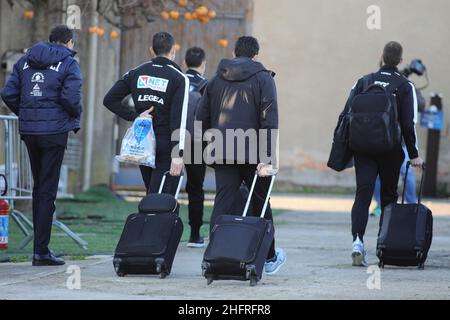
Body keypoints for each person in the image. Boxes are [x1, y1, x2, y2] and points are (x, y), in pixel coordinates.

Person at [196, 36, 286, 275]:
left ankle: (213, 256)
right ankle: (268, 257)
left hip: (222, 150)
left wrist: (205, 148)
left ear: (235, 53)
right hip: (254, 153)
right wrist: (266, 155)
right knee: (260, 202)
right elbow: (269, 117)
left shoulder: (215, 79)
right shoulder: (263, 78)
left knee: (223, 202)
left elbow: (201, 116)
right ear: (255, 55)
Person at [1, 25, 83, 266]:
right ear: (69, 42)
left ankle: (40, 249)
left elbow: (8, 93)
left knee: (39, 189)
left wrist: (27, 114)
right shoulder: (69, 63)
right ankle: (41, 252)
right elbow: (71, 98)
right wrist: (72, 116)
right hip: (55, 132)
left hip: (30, 132)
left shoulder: (25, 61)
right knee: (47, 191)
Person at [340, 41, 424, 267]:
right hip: (390, 149)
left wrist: (343, 148)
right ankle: (383, 244)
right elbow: (409, 124)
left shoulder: (363, 81)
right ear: (401, 60)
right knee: (389, 196)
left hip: (363, 148)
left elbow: (346, 114)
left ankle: (357, 242)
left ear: (382, 57)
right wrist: (414, 155)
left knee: (363, 194)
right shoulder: (405, 86)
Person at [103, 32, 187, 195]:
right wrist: (178, 153)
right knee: (161, 197)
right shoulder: (179, 78)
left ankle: (149, 219)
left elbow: (109, 99)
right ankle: (155, 220)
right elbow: (179, 119)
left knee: (152, 192)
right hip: (165, 143)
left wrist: (135, 116)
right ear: (173, 51)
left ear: (151, 50)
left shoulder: (136, 72)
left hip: (143, 140)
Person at [184, 47, 208, 248]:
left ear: (185, 63)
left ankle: (163, 232)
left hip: (173, 138)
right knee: (195, 188)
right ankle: (194, 234)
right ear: (203, 64)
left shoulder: (177, 80)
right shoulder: (206, 85)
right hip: (196, 142)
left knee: (167, 187)